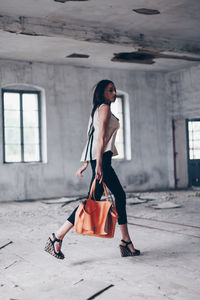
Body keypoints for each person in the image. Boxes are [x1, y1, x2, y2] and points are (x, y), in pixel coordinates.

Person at [44, 79, 140, 259]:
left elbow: (91, 137)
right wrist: (98, 165)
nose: (114, 93)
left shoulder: (96, 110)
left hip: (100, 161)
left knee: (97, 199)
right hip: (102, 161)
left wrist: (86, 164)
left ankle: (125, 241)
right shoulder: (104, 108)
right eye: (111, 90)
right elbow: (100, 137)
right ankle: (56, 236)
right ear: (103, 92)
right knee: (112, 197)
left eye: (115, 90)